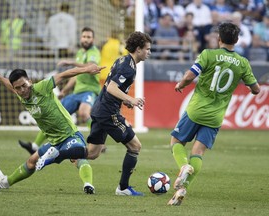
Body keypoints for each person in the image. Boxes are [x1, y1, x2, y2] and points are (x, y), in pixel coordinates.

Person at [38, 31, 152, 196]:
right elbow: (112, 87)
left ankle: (57, 154)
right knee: (135, 146)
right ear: (139, 49)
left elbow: (110, 87)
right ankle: (123, 188)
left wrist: (125, 100)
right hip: (108, 113)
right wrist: (131, 99)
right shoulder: (128, 67)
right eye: (147, 49)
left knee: (92, 153)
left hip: (100, 109)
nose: (149, 52)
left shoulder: (123, 60)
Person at [167, 22, 260, 206]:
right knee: (198, 152)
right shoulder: (243, 63)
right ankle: (183, 189)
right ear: (237, 40)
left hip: (196, 110)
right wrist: (250, 87)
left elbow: (189, 76)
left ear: (218, 38)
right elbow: (256, 89)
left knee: (176, 142)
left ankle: (183, 166)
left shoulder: (208, 54)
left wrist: (180, 85)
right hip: (216, 116)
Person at [0, 64, 105, 194]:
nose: (23, 90)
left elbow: (64, 74)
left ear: (30, 82)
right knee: (32, 161)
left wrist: (86, 70)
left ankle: (88, 185)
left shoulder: (42, 87)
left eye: (24, 85)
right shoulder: (20, 94)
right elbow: (9, 85)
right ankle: (5, 182)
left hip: (69, 134)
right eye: (18, 88)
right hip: (54, 140)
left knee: (77, 157)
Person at [18, 27, 102, 190]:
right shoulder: (79, 52)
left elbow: (90, 66)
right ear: (80, 38)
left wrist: (71, 62)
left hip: (89, 91)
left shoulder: (94, 52)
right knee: (51, 115)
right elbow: (77, 77)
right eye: (83, 36)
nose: (85, 39)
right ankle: (35, 146)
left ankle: (95, 142)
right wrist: (64, 91)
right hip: (76, 92)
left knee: (85, 114)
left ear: (93, 39)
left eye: (88, 37)